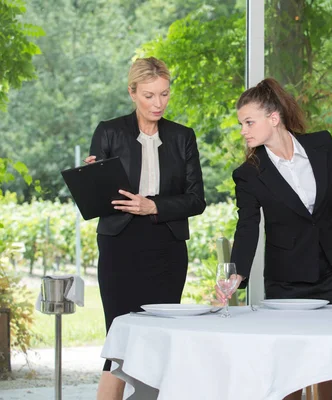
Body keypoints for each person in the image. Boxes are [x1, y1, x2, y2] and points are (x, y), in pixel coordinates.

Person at [217, 77, 332, 400]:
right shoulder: (248, 174)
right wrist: (238, 273)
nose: (243, 131)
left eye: (249, 122)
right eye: (241, 124)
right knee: (289, 365)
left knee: (330, 360)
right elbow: (247, 225)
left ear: (273, 118)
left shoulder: (321, 145)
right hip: (287, 278)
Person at [86, 57, 206, 400]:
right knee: (119, 342)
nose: (158, 103)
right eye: (150, 95)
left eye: (164, 94)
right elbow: (97, 201)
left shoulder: (183, 137)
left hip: (166, 247)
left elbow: (196, 200)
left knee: (159, 341)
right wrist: (92, 179)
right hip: (119, 246)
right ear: (132, 92)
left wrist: (153, 205)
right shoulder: (109, 130)